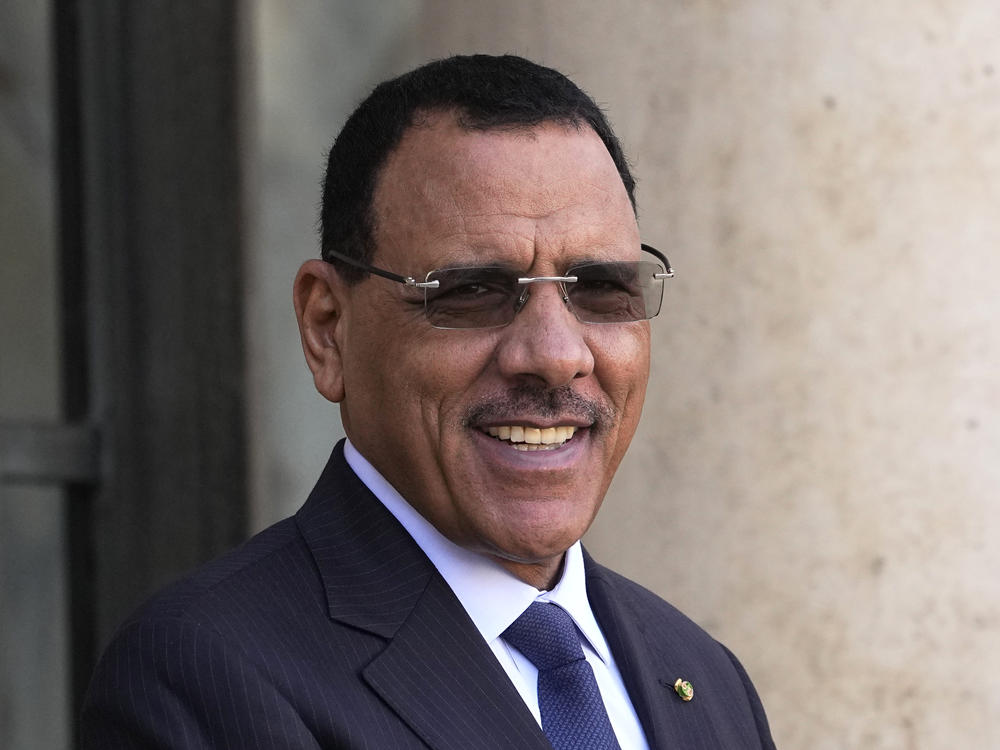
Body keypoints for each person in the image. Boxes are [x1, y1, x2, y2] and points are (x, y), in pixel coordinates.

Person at [82, 54, 775, 749]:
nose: (557, 355)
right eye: (473, 291)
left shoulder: (704, 680)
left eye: (600, 289)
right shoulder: (206, 676)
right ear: (328, 328)